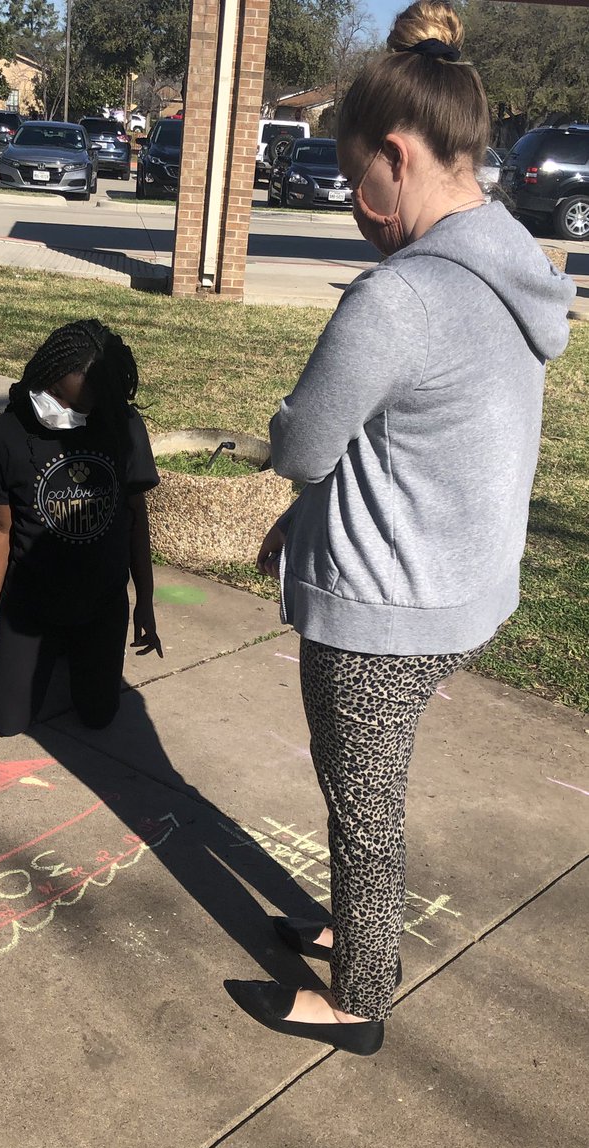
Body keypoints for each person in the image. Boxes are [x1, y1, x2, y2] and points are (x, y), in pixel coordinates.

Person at [232, 0, 575, 1055]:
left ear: (393, 153)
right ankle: (353, 925)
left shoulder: (399, 296)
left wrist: (295, 462)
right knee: (368, 790)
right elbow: (418, 440)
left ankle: (359, 999)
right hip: (468, 587)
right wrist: (311, 509)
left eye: (351, 181)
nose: (351, 205)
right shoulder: (510, 252)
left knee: (362, 803)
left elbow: (303, 441)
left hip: (383, 607)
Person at [0, 319, 161, 737]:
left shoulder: (123, 428)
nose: (59, 411)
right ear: (43, 371)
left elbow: (136, 520)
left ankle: (72, 650)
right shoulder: (4, 435)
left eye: (78, 408)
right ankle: (9, 656)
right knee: (7, 724)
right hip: (31, 604)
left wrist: (145, 601)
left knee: (98, 716)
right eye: (54, 395)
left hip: (101, 603)